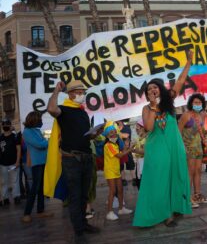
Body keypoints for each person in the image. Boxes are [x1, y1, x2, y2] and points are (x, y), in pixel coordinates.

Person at [133, 51, 193, 227]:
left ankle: (175, 207)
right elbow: (150, 127)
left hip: (174, 146)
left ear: (160, 88)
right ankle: (165, 214)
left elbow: (181, 80)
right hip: (157, 148)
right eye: (149, 89)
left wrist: (189, 61)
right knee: (160, 180)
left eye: (155, 87)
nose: (152, 90)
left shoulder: (169, 101)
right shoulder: (146, 108)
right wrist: (153, 106)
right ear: (147, 93)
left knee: (177, 176)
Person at [47, 80, 100, 244]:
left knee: (84, 195)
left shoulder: (83, 112)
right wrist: (56, 91)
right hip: (72, 160)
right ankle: (78, 232)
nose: (82, 95)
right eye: (79, 92)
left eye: (83, 92)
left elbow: (84, 135)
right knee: (75, 196)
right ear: (70, 93)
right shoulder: (63, 110)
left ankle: (83, 224)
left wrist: (94, 134)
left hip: (86, 158)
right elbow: (51, 109)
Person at [178, 93, 207, 208]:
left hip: (198, 148)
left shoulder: (201, 115)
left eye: (199, 103)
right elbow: (178, 132)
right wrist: (182, 148)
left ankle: (197, 195)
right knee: (190, 173)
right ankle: (187, 198)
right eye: (195, 102)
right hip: (188, 149)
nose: (197, 104)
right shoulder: (186, 115)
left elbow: (200, 130)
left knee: (198, 172)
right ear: (191, 103)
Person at [22, 111, 53, 223]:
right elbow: (41, 144)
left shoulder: (37, 130)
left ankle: (40, 211)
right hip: (37, 163)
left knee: (41, 188)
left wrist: (46, 142)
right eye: (40, 119)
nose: (41, 121)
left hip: (43, 162)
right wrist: (49, 142)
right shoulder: (27, 132)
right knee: (35, 188)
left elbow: (43, 143)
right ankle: (26, 213)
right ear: (34, 120)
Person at [103, 121, 133, 221]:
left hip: (116, 171)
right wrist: (129, 150)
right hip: (110, 171)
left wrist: (126, 147)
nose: (114, 134)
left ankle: (121, 208)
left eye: (115, 132)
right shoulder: (108, 145)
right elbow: (120, 155)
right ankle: (110, 212)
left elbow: (121, 152)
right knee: (113, 191)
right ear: (107, 135)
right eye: (111, 132)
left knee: (120, 189)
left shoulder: (115, 145)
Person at [0, 118, 21, 206]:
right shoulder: (0, 137)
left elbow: (18, 150)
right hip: (3, 163)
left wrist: (17, 161)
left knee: (15, 181)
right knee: (4, 182)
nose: (5, 126)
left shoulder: (14, 136)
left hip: (13, 163)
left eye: (6, 125)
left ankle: (16, 197)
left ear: (9, 126)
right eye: (3, 125)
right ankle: (5, 198)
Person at [116, 120, 136, 187]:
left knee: (130, 164)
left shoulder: (126, 128)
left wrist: (117, 133)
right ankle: (123, 180)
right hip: (118, 149)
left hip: (127, 149)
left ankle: (134, 179)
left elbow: (126, 135)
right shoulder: (115, 128)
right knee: (121, 166)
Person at [132, 119, 146, 190]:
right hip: (139, 163)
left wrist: (134, 150)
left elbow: (144, 152)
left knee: (142, 183)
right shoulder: (138, 138)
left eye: (138, 128)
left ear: (143, 128)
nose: (136, 130)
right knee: (139, 182)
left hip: (144, 163)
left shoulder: (146, 139)